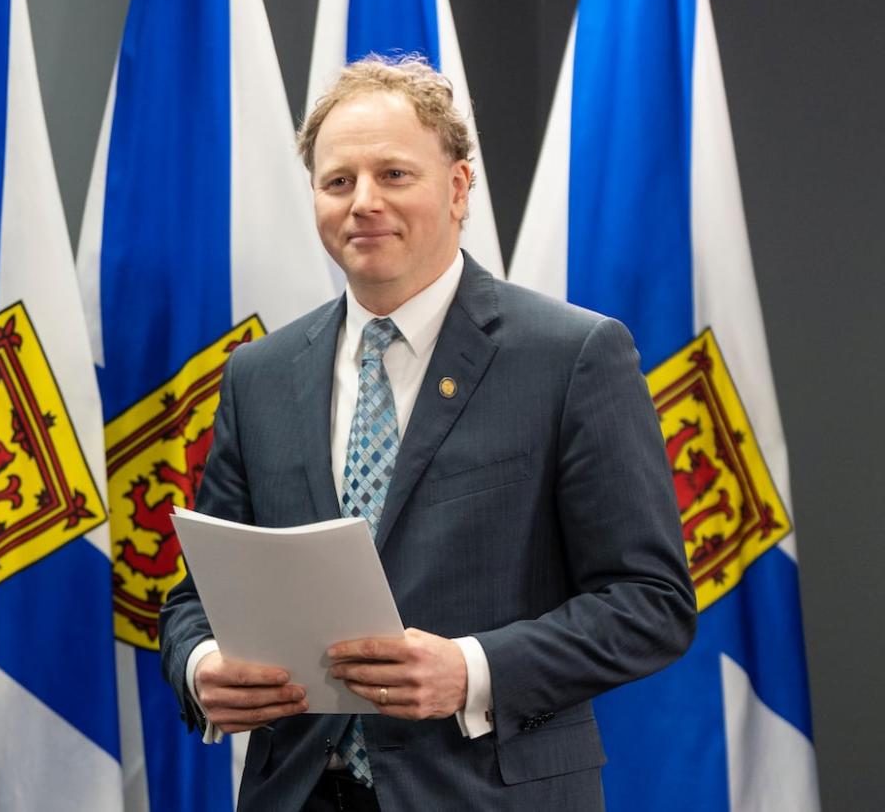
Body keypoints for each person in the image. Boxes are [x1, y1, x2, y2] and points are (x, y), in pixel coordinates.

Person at [159, 55, 696, 811]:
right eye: (338, 181)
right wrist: (202, 664)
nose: (363, 203)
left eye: (394, 175)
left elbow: (651, 602)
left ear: (458, 186)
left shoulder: (572, 356)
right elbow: (195, 598)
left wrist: (473, 670)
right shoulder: (260, 375)